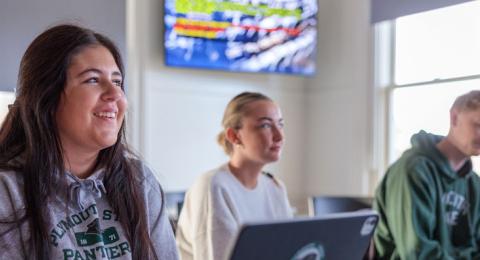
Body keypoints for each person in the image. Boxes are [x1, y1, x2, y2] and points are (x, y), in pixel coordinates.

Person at [0, 24, 179, 259]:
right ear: (46, 97)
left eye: (117, 82)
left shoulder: (139, 181)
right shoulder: (7, 190)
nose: (115, 95)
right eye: (93, 80)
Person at [176, 92, 293, 260]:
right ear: (234, 136)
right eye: (265, 126)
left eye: (280, 124)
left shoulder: (276, 187)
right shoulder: (213, 186)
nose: (279, 136)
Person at [373, 90, 480, 259]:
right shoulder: (413, 172)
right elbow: (416, 253)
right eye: (478, 125)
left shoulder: (474, 183)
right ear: (454, 118)